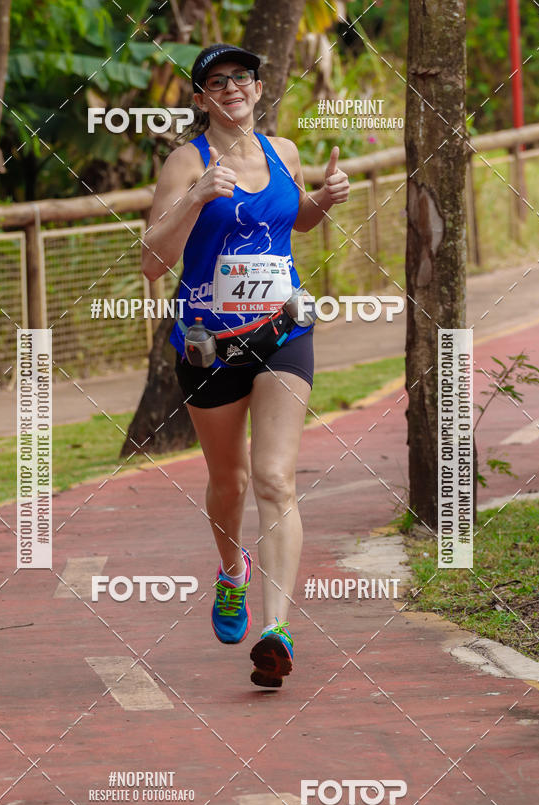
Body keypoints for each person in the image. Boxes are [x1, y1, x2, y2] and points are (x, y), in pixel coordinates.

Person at [142, 43, 350, 687]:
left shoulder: (283, 152)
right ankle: (231, 571)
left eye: (241, 78)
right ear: (201, 99)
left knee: (274, 477)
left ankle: (276, 628)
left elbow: (295, 225)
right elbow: (152, 261)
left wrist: (322, 200)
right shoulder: (187, 160)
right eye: (215, 82)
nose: (231, 87)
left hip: (283, 330)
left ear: (259, 90)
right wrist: (196, 197)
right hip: (207, 341)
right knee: (228, 482)